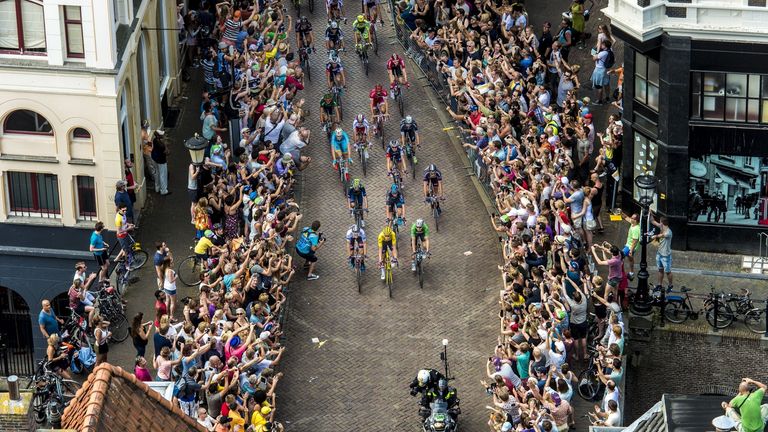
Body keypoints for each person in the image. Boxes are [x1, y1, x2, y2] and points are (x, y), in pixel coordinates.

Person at [651, 214, 673, 290]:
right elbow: (653, 221)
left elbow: (662, 235)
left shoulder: (668, 232)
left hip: (665, 255)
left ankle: (670, 285)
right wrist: (649, 212)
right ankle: (659, 284)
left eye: (660, 222)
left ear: (662, 223)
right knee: (660, 269)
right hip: (659, 253)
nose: (659, 223)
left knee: (668, 271)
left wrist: (655, 236)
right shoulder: (661, 227)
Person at [621, 212, 641, 280]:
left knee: (620, 257)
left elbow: (635, 241)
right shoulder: (633, 223)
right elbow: (626, 218)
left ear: (635, 220)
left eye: (632, 218)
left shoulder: (636, 229)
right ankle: (631, 273)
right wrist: (621, 213)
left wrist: (631, 250)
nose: (631, 218)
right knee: (630, 259)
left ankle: (621, 273)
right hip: (629, 245)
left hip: (629, 247)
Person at [151, 130, 171, 195]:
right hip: (161, 160)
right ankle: (164, 190)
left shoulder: (154, 140)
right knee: (163, 175)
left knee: (157, 173)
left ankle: (157, 188)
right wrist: (165, 143)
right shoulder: (161, 145)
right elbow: (167, 152)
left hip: (155, 158)